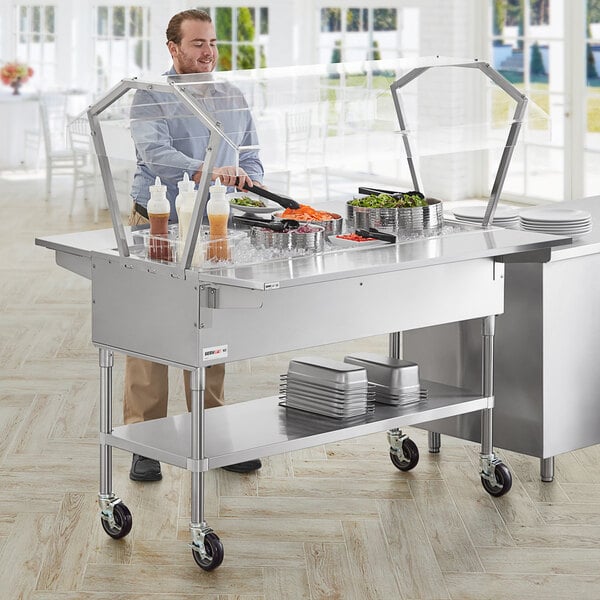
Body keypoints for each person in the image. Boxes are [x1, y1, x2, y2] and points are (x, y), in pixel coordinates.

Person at [126, 9, 263, 481]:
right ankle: (145, 440)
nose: (208, 52)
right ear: (174, 48)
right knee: (150, 328)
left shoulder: (232, 94)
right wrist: (208, 170)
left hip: (215, 225)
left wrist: (248, 179)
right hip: (158, 221)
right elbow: (156, 157)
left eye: (212, 43)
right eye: (198, 43)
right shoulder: (150, 95)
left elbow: (251, 155)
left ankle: (213, 431)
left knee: (209, 328)